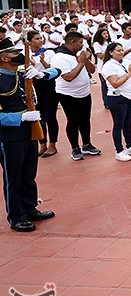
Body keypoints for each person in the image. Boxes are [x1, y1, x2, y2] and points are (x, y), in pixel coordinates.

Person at [0, 38, 60, 232]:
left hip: (30, 129)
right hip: (10, 135)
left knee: (28, 172)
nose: (19, 55)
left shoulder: (21, 72)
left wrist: (41, 73)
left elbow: (57, 71)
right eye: (14, 53)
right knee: (13, 175)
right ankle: (16, 216)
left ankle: (29, 207)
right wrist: (20, 118)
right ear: (4, 58)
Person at [50, 31, 102, 161]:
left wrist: (87, 59)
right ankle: (75, 148)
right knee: (73, 121)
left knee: (85, 119)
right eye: (80, 42)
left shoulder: (77, 55)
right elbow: (68, 77)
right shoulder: (59, 57)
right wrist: (81, 63)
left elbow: (92, 70)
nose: (82, 45)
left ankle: (86, 144)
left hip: (84, 92)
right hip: (68, 94)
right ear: (72, 42)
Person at [101, 42, 131, 162]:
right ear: (111, 52)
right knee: (118, 124)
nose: (121, 52)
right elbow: (115, 83)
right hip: (117, 98)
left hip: (130, 96)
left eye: (122, 50)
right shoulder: (108, 66)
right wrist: (130, 73)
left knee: (128, 123)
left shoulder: (126, 62)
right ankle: (119, 150)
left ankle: (130, 146)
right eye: (118, 50)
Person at [27, 30, 59, 158]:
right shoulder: (26, 53)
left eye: (41, 38)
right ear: (29, 42)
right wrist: (30, 64)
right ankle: (42, 143)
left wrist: (43, 62)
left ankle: (52, 144)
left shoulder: (49, 52)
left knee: (50, 115)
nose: (40, 40)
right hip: (34, 85)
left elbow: (52, 69)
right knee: (38, 115)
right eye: (36, 38)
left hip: (48, 83)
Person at [92, 28, 111, 109]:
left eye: (107, 33)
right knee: (104, 86)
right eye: (104, 34)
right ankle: (106, 103)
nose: (106, 35)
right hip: (102, 68)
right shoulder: (97, 44)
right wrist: (109, 49)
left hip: (110, 66)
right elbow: (100, 56)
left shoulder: (107, 43)